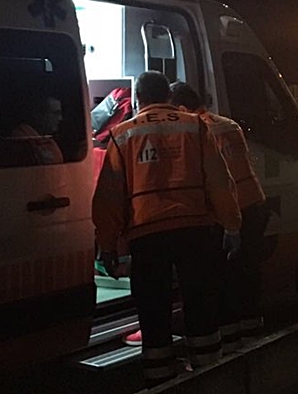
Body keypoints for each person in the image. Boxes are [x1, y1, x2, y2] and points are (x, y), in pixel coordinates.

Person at [93, 71, 242, 386]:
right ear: (168, 96)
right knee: (200, 303)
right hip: (195, 231)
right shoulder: (195, 125)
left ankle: (160, 380)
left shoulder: (122, 135)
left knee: (153, 310)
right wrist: (231, 225)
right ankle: (209, 375)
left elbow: (108, 197)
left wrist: (107, 246)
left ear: (138, 99)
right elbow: (219, 180)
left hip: (146, 236)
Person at [167, 82, 271, 353]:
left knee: (220, 281)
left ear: (181, 107)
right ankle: (251, 340)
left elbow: (212, 180)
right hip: (254, 204)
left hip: (227, 211)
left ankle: (229, 346)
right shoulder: (229, 124)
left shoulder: (196, 130)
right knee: (247, 276)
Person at [0, 95, 64, 166]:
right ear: (37, 115)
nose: (60, 119)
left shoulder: (47, 140)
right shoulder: (19, 141)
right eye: (55, 113)